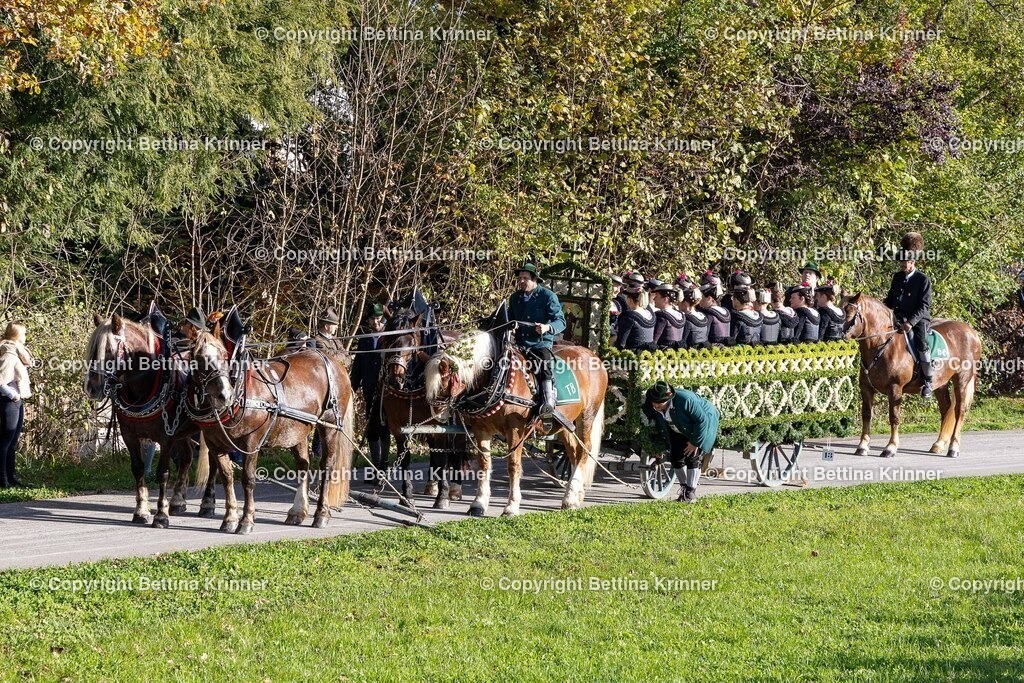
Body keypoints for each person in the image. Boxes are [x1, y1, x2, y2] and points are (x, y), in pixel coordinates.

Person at [508, 262, 572, 431]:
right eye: (520, 278)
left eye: (525, 278)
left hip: (539, 343)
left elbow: (561, 321)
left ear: (535, 279)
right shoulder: (515, 298)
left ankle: (548, 406)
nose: (521, 281)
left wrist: (547, 327)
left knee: (544, 365)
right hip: (518, 344)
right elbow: (509, 318)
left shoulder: (547, 296)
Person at [643, 380, 719, 503]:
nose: (656, 405)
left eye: (660, 402)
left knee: (692, 456)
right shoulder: (652, 403)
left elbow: (702, 421)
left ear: (668, 399)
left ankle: (690, 492)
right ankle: (684, 489)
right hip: (676, 427)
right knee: (675, 457)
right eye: (654, 401)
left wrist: (695, 442)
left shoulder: (686, 400)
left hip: (698, 425)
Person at [883, 232, 933, 398]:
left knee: (921, 342)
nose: (903, 266)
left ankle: (928, 380)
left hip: (918, 319)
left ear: (913, 262)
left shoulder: (923, 280)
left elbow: (924, 306)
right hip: (898, 317)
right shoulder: (897, 277)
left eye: (906, 263)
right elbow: (891, 300)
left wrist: (911, 322)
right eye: (901, 263)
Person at [349, 303, 391, 470]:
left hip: (386, 391)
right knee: (372, 428)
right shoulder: (364, 340)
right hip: (369, 389)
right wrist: (352, 387)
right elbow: (358, 366)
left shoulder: (389, 337)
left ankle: (384, 464)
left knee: (385, 427)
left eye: (378, 318)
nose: (375, 322)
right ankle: (376, 465)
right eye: (372, 319)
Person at [0, 322, 33, 488]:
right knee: (5, 442)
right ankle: (3, 479)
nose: (26, 336)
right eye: (24, 333)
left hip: (16, 401)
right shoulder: (9, 354)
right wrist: (12, 395)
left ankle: (12, 478)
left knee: (12, 442)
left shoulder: (16, 352)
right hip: (9, 401)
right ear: (17, 335)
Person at [614, 285, 656, 352]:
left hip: (632, 354)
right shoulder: (650, 314)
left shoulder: (629, 316)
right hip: (649, 354)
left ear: (630, 299)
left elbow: (621, 343)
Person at [697, 271, 731, 346]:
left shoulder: (709, 315)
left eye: (702, 296)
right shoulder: (726, 312)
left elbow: (704, 339)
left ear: (709, 298)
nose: (699, 300)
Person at [651, 284, 684, 349]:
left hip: (663, 352)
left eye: (656, 296)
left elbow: (654, 340)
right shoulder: (680, 315)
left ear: (665, 299)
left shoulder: (661, 317)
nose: (654, 299)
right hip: (678, 352)